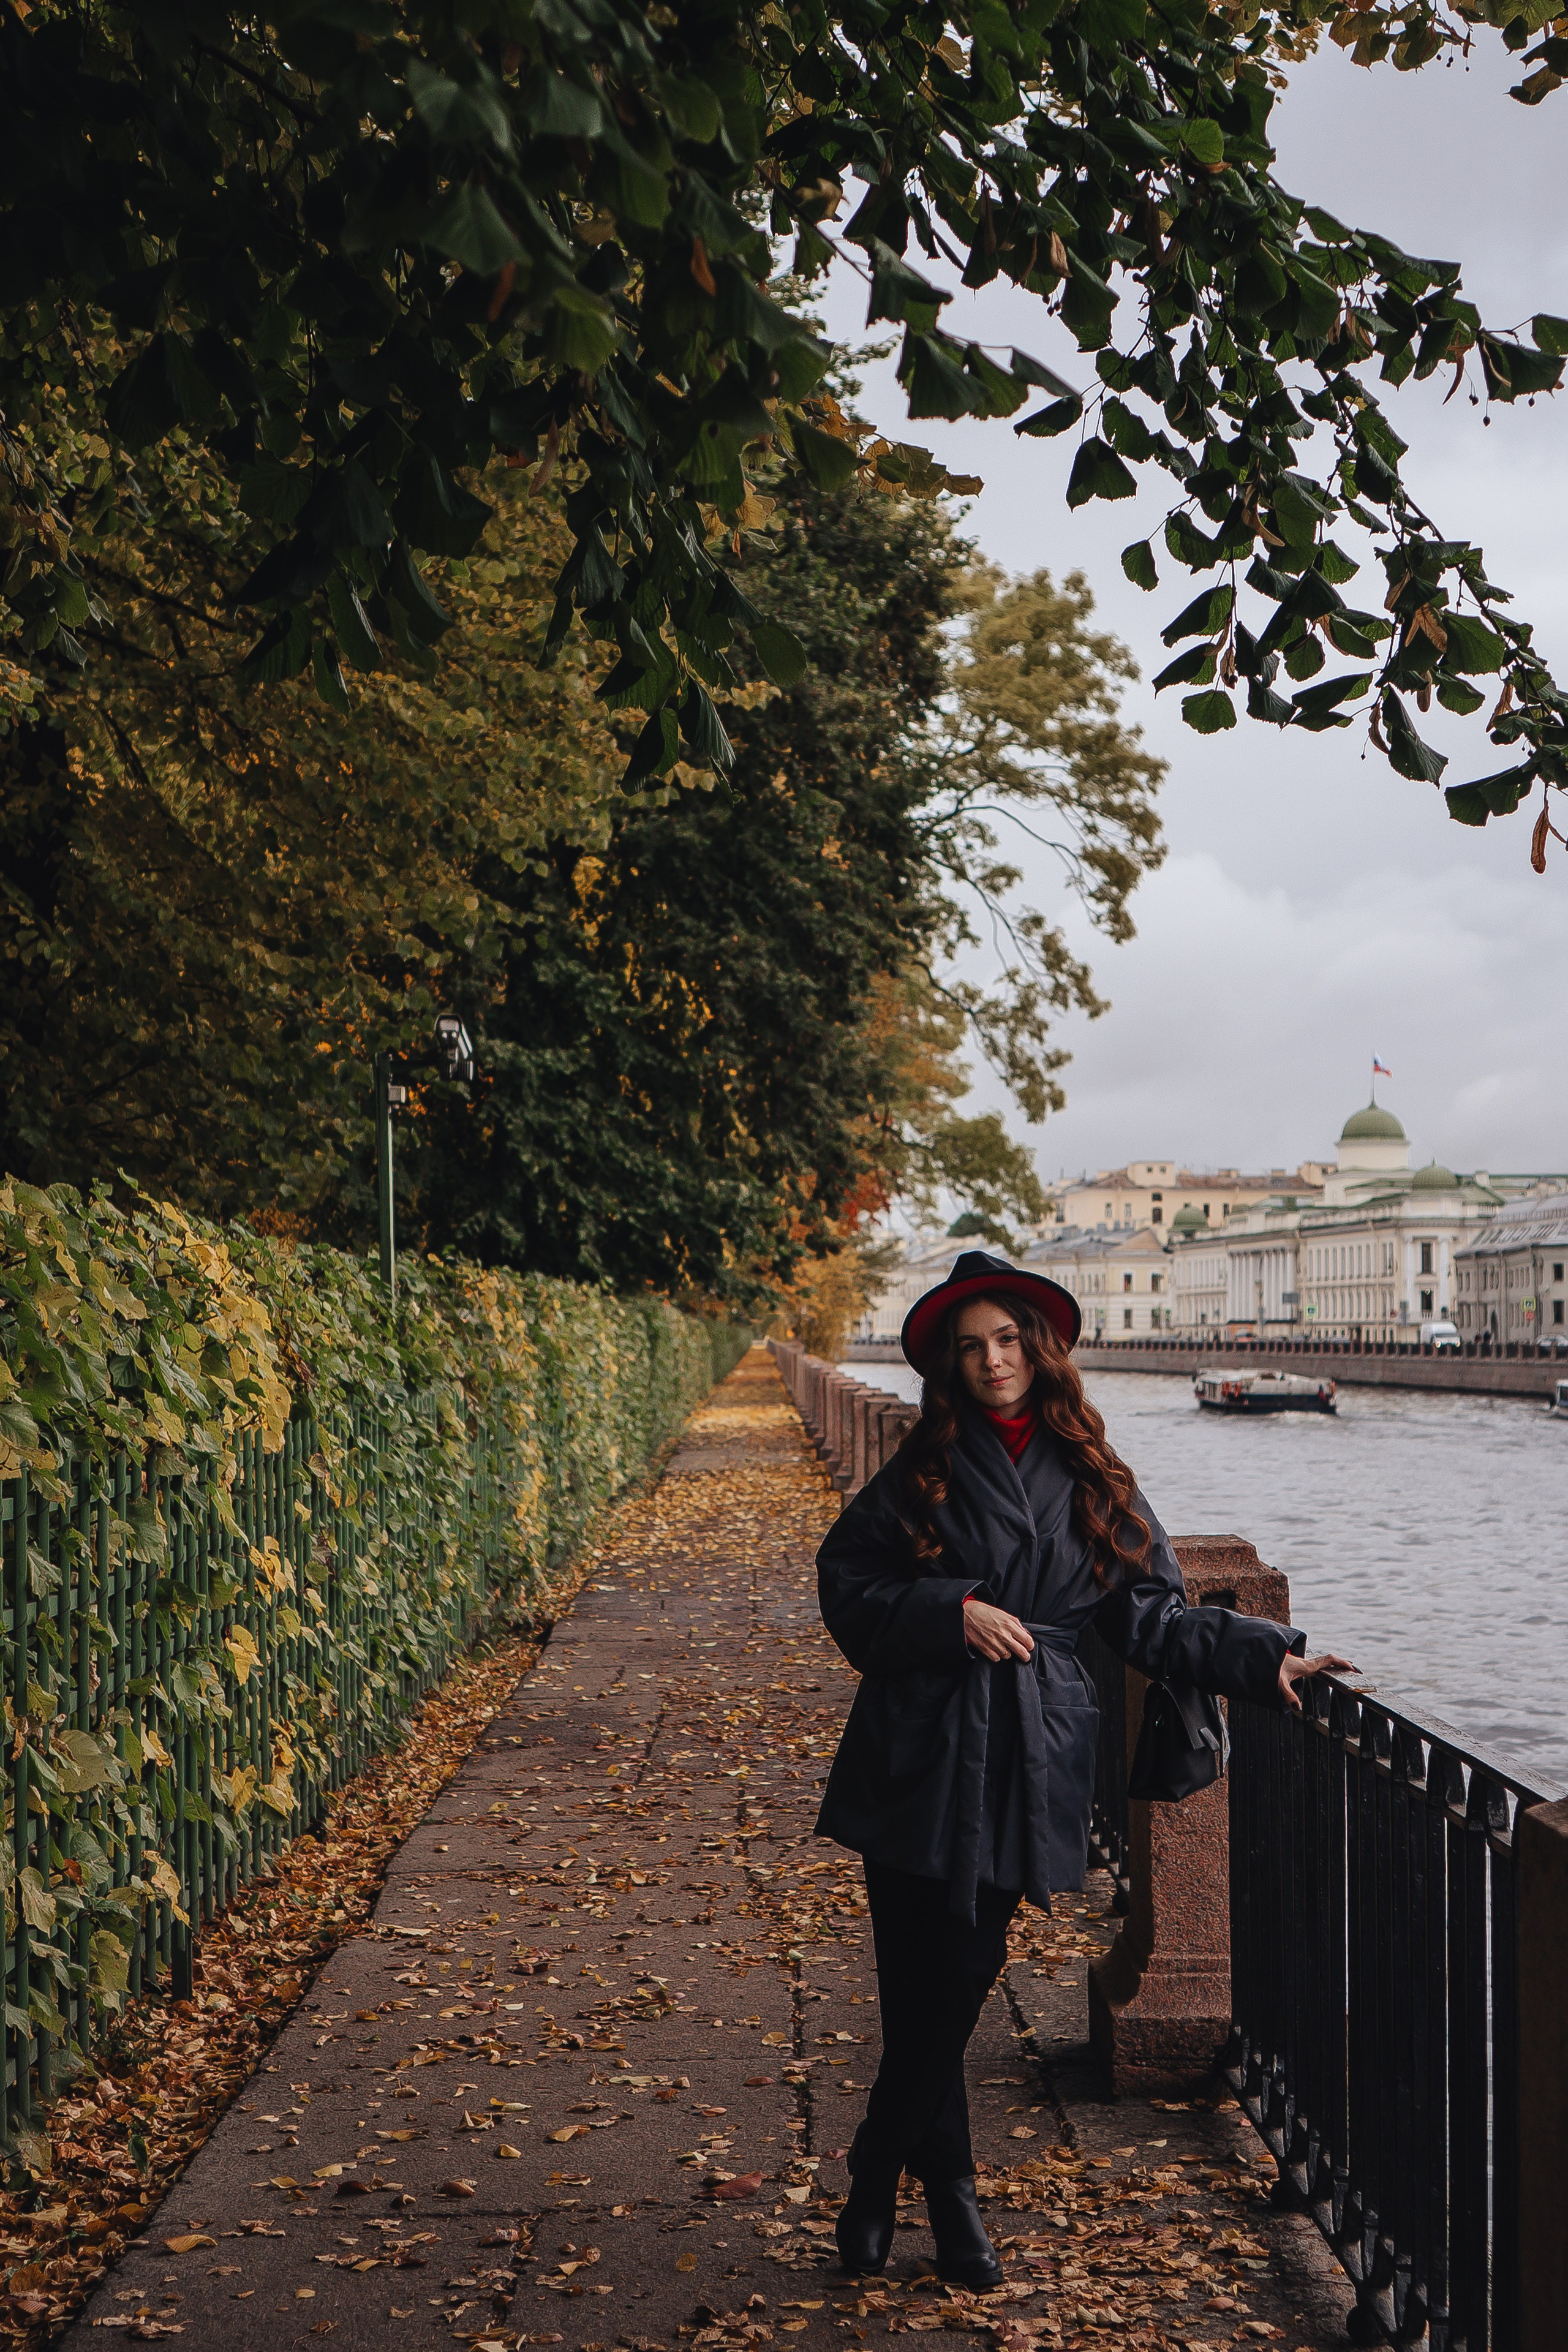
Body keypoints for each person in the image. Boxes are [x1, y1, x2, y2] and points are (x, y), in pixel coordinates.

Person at [813, 1250, 1348, 2289]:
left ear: (1041, 1349)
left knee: (961, 1985)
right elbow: (846, 1582)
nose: (993, 1361)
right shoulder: (922, 1465)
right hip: (913, 1747)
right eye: (972, 1348)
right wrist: (947, 1611)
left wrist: (1261, 1654)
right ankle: (954, 2196)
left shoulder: (1096, 1478)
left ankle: (878, 2166)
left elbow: (1149, 1614)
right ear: (952, 1366)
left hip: (1023, 1754)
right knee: (918, 1990)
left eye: (1009, 1341)